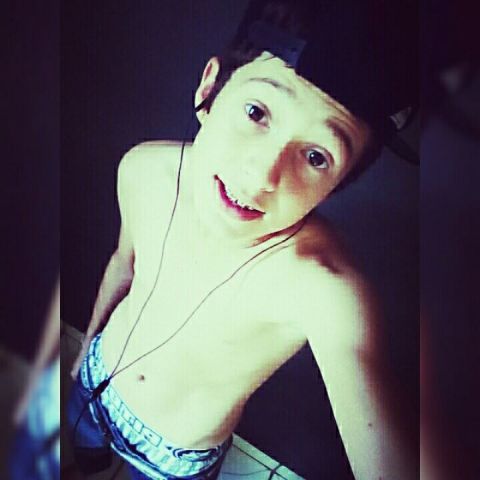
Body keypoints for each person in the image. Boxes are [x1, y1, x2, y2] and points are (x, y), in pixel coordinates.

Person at [66, 1, 417, 479]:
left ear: (336, 185)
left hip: (174, 455)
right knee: (81, 460)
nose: (262, 175)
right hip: (97, 380)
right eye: (257, 112)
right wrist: (87, 345)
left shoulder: (322, 287)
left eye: (316, 157)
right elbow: (123, 264)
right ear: (209, 90)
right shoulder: (142, 168)